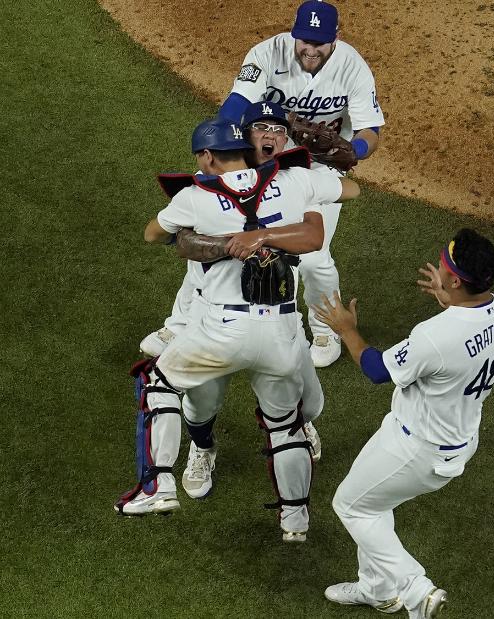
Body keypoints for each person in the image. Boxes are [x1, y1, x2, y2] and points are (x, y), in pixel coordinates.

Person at [115, 118, 360, 544]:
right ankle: (295, 520)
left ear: (207, 156)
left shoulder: (195, 195)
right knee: (286, 424)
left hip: (221, 329)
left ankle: (157, 485)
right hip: (283, 331)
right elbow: (342, 201)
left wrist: (205, 234)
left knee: (157, 381)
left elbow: (153, 235)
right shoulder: (297, 179)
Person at [140, 0, 385, 367]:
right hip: (264, 158)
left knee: (315, 259)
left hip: (318, 165)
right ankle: (182, 322)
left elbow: (372, 130)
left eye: (318, 43)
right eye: (304, 40)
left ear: (336, 37)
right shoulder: (266, 54)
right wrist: (224, 155)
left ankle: (324, 326)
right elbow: (236, 104)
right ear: (293, 33)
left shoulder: (353, 67)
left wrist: (352, 150)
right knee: (213, 239)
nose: (310, 49)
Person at [312, 229, 494, 618]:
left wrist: (347, 329)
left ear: (457, 280)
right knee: (376, 504)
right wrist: (451, 303)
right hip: (458, 437)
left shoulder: (433, 336)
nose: (437, 267)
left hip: (414, 449)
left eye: (443, 266)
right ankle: (377, 590)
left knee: (352, 506)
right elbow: (467, 339)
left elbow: (377, 371)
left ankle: (414, 589)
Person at [173, 102, 330, 505]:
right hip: (215, 318)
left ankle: (295, 425)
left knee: (309, 403)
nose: (270, 136)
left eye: (278, 129)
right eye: (259, 128)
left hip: (279, 318)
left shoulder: (296, 180)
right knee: (201, 403)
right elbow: (173, 238)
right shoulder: (200, 191)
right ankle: (203, 449)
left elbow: (343, 196)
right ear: (241, 141)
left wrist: (336, 161)